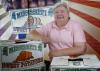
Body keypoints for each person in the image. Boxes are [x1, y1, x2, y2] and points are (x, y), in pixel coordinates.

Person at [29, 2, 87, 70]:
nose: (59, 14)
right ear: (54, 14)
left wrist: (57, 53)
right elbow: (31, 33)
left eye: (62, 11)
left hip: (72, 64)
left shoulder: (76, 25)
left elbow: (81, 48)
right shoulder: (49, 25)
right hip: (54, 64)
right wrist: (42, 38)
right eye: (56, 12)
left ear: (68, 13)